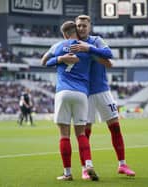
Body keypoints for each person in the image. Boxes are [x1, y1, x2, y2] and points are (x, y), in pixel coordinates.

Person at [70, 15, 135, 178]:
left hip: (102, 90)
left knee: (115, 127)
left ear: (90, 26)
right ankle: (86, 168)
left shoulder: (96, 40)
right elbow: (106, 62)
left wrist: (89, 49)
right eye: (78, 26)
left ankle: (122, 165)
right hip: (83, 93)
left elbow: (109, 54)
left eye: (84, 25)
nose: (81, 28)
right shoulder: (72, 44)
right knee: (85, 133)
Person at [41, 21, 105, 181]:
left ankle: (68, 173)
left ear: (64, 34)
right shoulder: (86, 47)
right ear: (76, 30)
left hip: (63, 92)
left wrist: (60, 59)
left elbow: (43, 62)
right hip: (82, 94)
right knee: (81, 134)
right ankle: (88, 164)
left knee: (64, 135)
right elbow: (107, 57)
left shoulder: (58, 46)